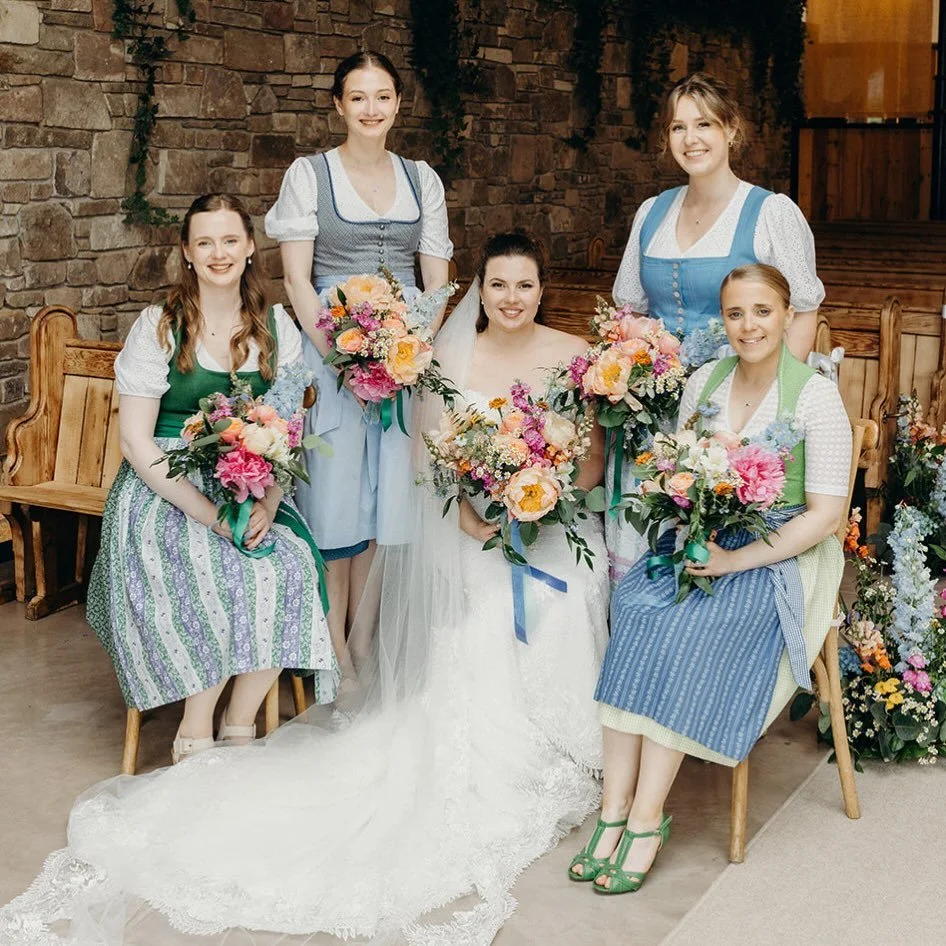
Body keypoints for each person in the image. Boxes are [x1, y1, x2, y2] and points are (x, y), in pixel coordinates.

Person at [1, 233, 609, 946]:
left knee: (570, 585)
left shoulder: (573, 355)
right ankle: (234, 725)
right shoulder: (451, 355)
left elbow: (590, 459)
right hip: (471, 522)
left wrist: (537, 503)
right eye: (498, 285)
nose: (510, 298)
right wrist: (478, 512)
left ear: (544, 290)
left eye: (524, 286)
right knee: (471, 610)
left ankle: (561, 737)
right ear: (483, 289)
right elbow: (433, 453)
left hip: (544, 522)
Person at [567, 263, 851, 895]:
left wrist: (734, 559)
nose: (748, 326)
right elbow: (681, 471)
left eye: (762, 311)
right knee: (638, 607)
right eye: (734, 314)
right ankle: (612, 812)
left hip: (781, 550)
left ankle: (646, 819)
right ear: (722, 321)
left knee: (689, 626)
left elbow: (826, 516)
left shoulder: (813, 394)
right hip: (705, 532)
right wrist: (694, 528)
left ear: (785, 315)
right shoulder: (705, 380)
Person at [83, 193, 338, 764]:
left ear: (250, 248)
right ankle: (193, 730)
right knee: (206, 571)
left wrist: (269, 502)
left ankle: (237, 721)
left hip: (252, 484)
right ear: (188, 254)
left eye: (230, 240)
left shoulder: (278, 329)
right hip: (164, 484)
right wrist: (212, 516)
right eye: (205, 242)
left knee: (289, 567)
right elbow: (136, 442)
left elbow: (287, 431)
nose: (218, 253)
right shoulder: (160, 325)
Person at [264, 50, 453, 675]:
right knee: (334, 503)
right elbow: (296, 280)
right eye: (358, 97)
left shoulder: (422, 178)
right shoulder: (309, 174)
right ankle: (333, 650)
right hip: (328, 361)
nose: (371, 108)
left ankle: (366, 636)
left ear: (399, 103)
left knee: (385, 502)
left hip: (400, 364)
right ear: (338, 104)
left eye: (383, 96)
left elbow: (434, 278)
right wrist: (342, 360)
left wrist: (407, 353)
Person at [607, 72, 826, 581]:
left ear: (730, 130)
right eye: (678, 127)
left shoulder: (770, 212)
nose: (691, 139)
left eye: (703, 123)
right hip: (654, 410)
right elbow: (629, 312)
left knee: (710, 544)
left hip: (735, 412)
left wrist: (771, 402)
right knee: (643, 536)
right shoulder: (651, 212)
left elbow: (805, 307)